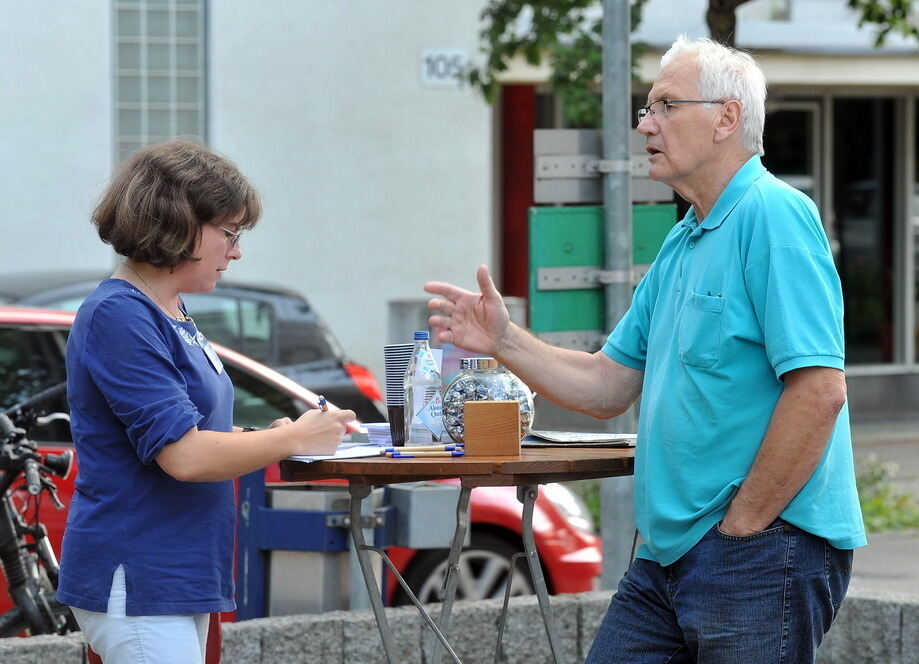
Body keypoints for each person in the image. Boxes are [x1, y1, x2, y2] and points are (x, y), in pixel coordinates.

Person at [425, 37, 865, 663]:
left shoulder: (774, 214)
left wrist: (743, 526)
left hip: (758, 550)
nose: (644, 124)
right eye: (645, 108)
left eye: (663, 106)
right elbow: (607, 385)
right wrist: (503, 341)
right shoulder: (682, 240)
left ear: (726, 118)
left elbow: (820, 390)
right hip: (668, 557)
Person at [57, 139, 355, 663]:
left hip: (177, 573)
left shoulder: (167, 308)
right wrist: (294, 436)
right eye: (230, 233)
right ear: (177, 224)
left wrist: (265, 439)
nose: (236, 252)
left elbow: (190, 431)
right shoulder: (119, 315)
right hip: (142, 574)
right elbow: (185, 456)